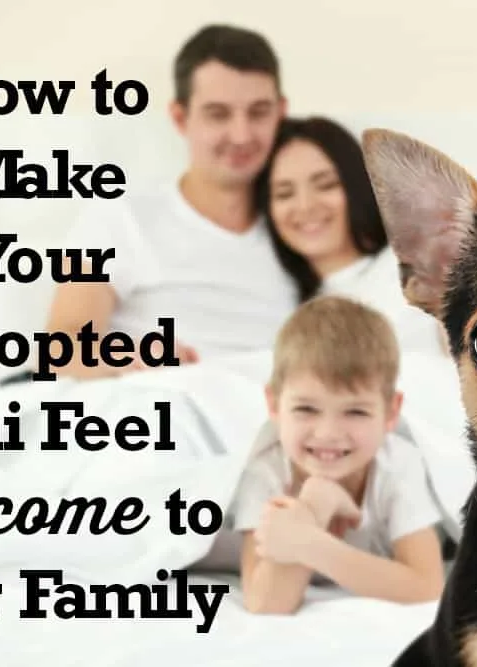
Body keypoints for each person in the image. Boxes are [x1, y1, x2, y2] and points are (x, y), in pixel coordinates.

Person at [43, 24, 298, 379]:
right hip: (165, 407)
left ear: (280, 112)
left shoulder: (305, 226)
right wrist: (138, 356)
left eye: (258, 112)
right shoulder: (120, 216)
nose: (241, 135)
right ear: (180, 118)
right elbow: (60, 345)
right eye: (218, 114)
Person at [229, 295, 446, 614]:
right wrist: (317, 503)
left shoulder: (397, 464)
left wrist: (309, 543)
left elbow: (427, 587)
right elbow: (266, 604)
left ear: (390, 412)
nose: (328, 433)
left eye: (356, 412)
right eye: (306, 409)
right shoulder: (267, 471)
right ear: (274, 405)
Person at [257, 116, 449, 354]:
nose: (305, 206)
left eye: (326, 185)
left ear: (356, 185)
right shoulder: (284, 312)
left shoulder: (416, 264)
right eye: (284, 194)